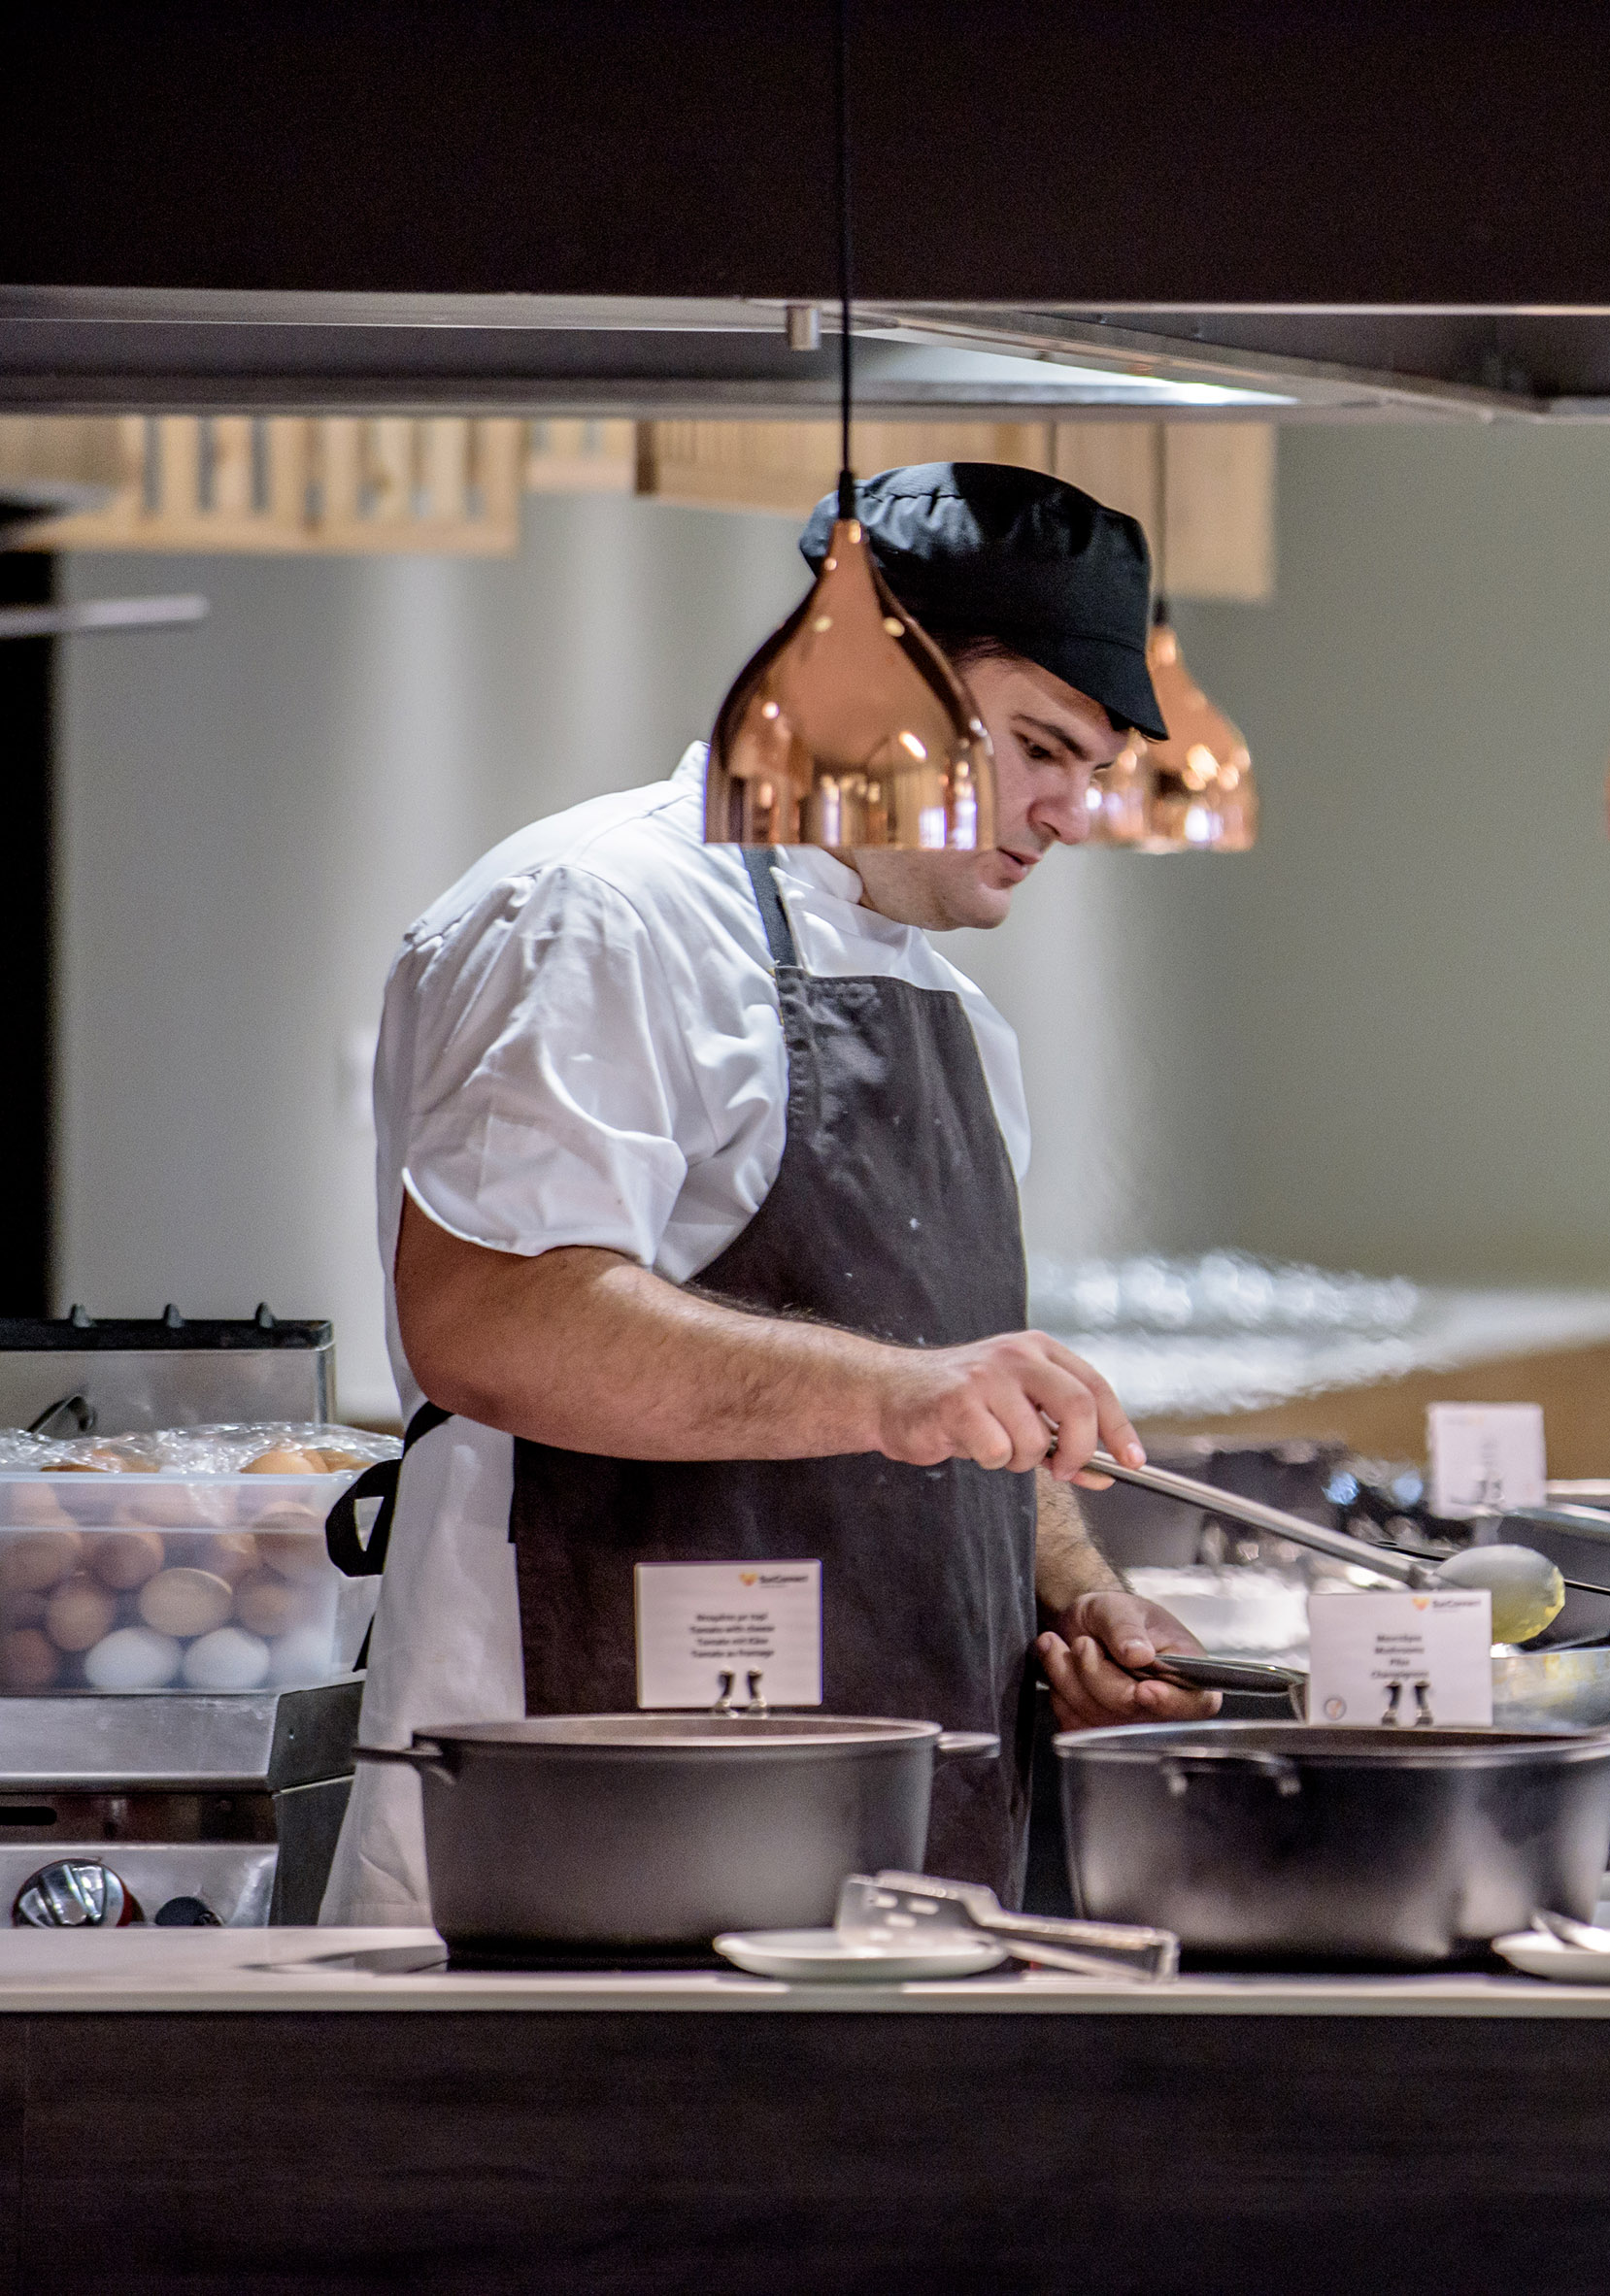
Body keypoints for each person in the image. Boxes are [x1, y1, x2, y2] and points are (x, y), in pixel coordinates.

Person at [323, 464, 1214, 1926]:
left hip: (901, 1843)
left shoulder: (962, 1024)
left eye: (1092, 765)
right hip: (587, 1818)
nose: (1074, 809)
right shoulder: (599, 910)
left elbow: (967, 1411)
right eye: (1041, 746)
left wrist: (1075, 1590)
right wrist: (898, 1392)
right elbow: (490, 1323)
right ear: (872, 688)